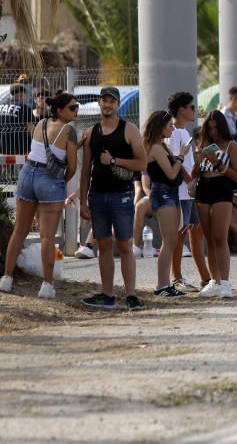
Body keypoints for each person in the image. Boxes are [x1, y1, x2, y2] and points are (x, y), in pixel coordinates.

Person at [1, 93, 79, 299]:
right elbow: (72, 167)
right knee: (47, 236)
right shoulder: (70, 131)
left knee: (19, 231)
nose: (76, 111)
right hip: (49, 179)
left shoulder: (41, 123)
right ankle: (47, 285)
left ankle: (6, 279)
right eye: (73, 108)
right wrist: (60, 181)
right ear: (61, 110)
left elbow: (44, 150)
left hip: (27, 173)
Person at [76, 87, 147, 310]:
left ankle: (131, 295)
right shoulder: (91, 133)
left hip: (122, 196)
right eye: (104, 100)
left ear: (117, 105)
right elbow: (86, 169)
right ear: (99, 103)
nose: (107, 104)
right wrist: (83, 200)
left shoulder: (130, 130)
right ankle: (107, 295)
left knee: (125, 245)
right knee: (104, 245)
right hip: (97, 196)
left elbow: (142, 163)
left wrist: (115, 161)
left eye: (112, 101)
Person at [192, 110, 237, 298]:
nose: (213, 131)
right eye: (210, 128)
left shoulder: (231, 146)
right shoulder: (203, 144)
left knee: (220, 237)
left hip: (222, 189)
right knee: (210, 239)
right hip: (204, 188)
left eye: (216, 128)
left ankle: (225, 282)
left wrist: (219, 164)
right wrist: (198, 163)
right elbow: (194, 174)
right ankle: (214, 281)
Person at [142, 110, 189, 297]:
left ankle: (165, 284)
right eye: (170, 125)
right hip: (162, 194)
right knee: (169, 241)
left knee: (173, 240)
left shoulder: (162, 145)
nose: (173, 128)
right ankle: (162, 285)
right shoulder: (155, 147)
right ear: (160, 126)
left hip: (171, 193)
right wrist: (182, 156)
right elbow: (170, 173)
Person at [166, 91, 207, 291]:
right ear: (181, 110)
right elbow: (175, 160)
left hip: (190, 191)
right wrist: (189, 180)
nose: (194, 111)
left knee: (196, 231)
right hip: (181, 191)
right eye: (191, 107)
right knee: (180, 234)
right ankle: (176, 277)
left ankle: (206, 277)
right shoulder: (173, 131)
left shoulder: (184, 132)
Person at [0, 83, 33, 155]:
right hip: (20, 148)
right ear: (21, 95)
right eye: (25, 95)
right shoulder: (24, 108)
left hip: (3, 146)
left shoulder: (1, 107)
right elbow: (30, 128)